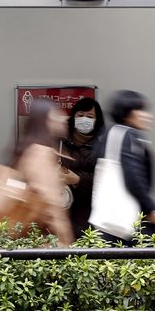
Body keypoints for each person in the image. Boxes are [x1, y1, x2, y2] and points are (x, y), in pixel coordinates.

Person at [97, 90, 155, 242]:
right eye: (140, 110)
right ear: (126, 113)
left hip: (113, 218)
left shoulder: (109, 134)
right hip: (132, 217)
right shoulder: (129, 135)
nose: (147, 116)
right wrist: (151, 208)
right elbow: (133, 175)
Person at [11, 98, 74, 246]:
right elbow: (51, 204)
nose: (63, 119)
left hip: (32, 239)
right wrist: (66, 240)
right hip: (46, 242)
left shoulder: (29, 149)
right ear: (43, 121)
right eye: (56, 116)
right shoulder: (41, 153)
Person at [59, 97, 105, 239]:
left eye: (90, 116)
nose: (84, 119)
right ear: (73, 117)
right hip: (62, 211)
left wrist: (78, 179)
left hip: (90, 215)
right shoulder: (60, 143)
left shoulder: (102, 147)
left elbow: (105, 182)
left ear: (97, 121)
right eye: (80, 115)